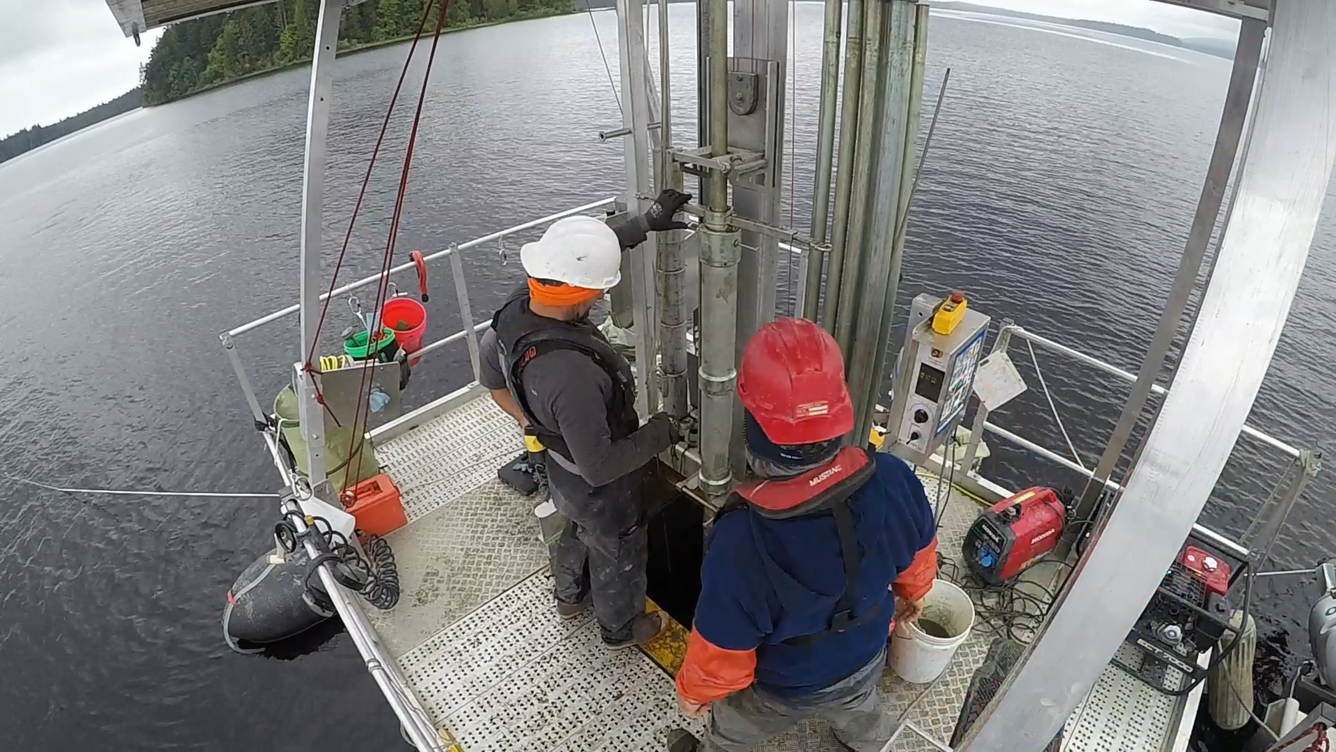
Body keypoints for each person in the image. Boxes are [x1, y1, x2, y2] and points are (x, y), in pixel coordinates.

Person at [669, 318, 939, 752]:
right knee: (861, 711)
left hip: (782, 687)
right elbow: (920, 555)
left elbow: (723, 652)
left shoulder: (741, 538)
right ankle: (871, 743)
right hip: (864, 655)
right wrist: (916, 592)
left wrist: (694, 693)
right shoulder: (892, 477)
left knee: (733, 733)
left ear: (753, 422)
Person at [483, 189, 691, 649]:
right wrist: (662, 431)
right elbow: (600, 466)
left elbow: (492, 375)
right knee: (617, 547)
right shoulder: (569, 375)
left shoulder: (519, 306)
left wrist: (645, 223)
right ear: (586, 296)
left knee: (575, 526)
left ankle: (569, 597)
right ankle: (620, 628)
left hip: (560, 467)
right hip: (599, 484)